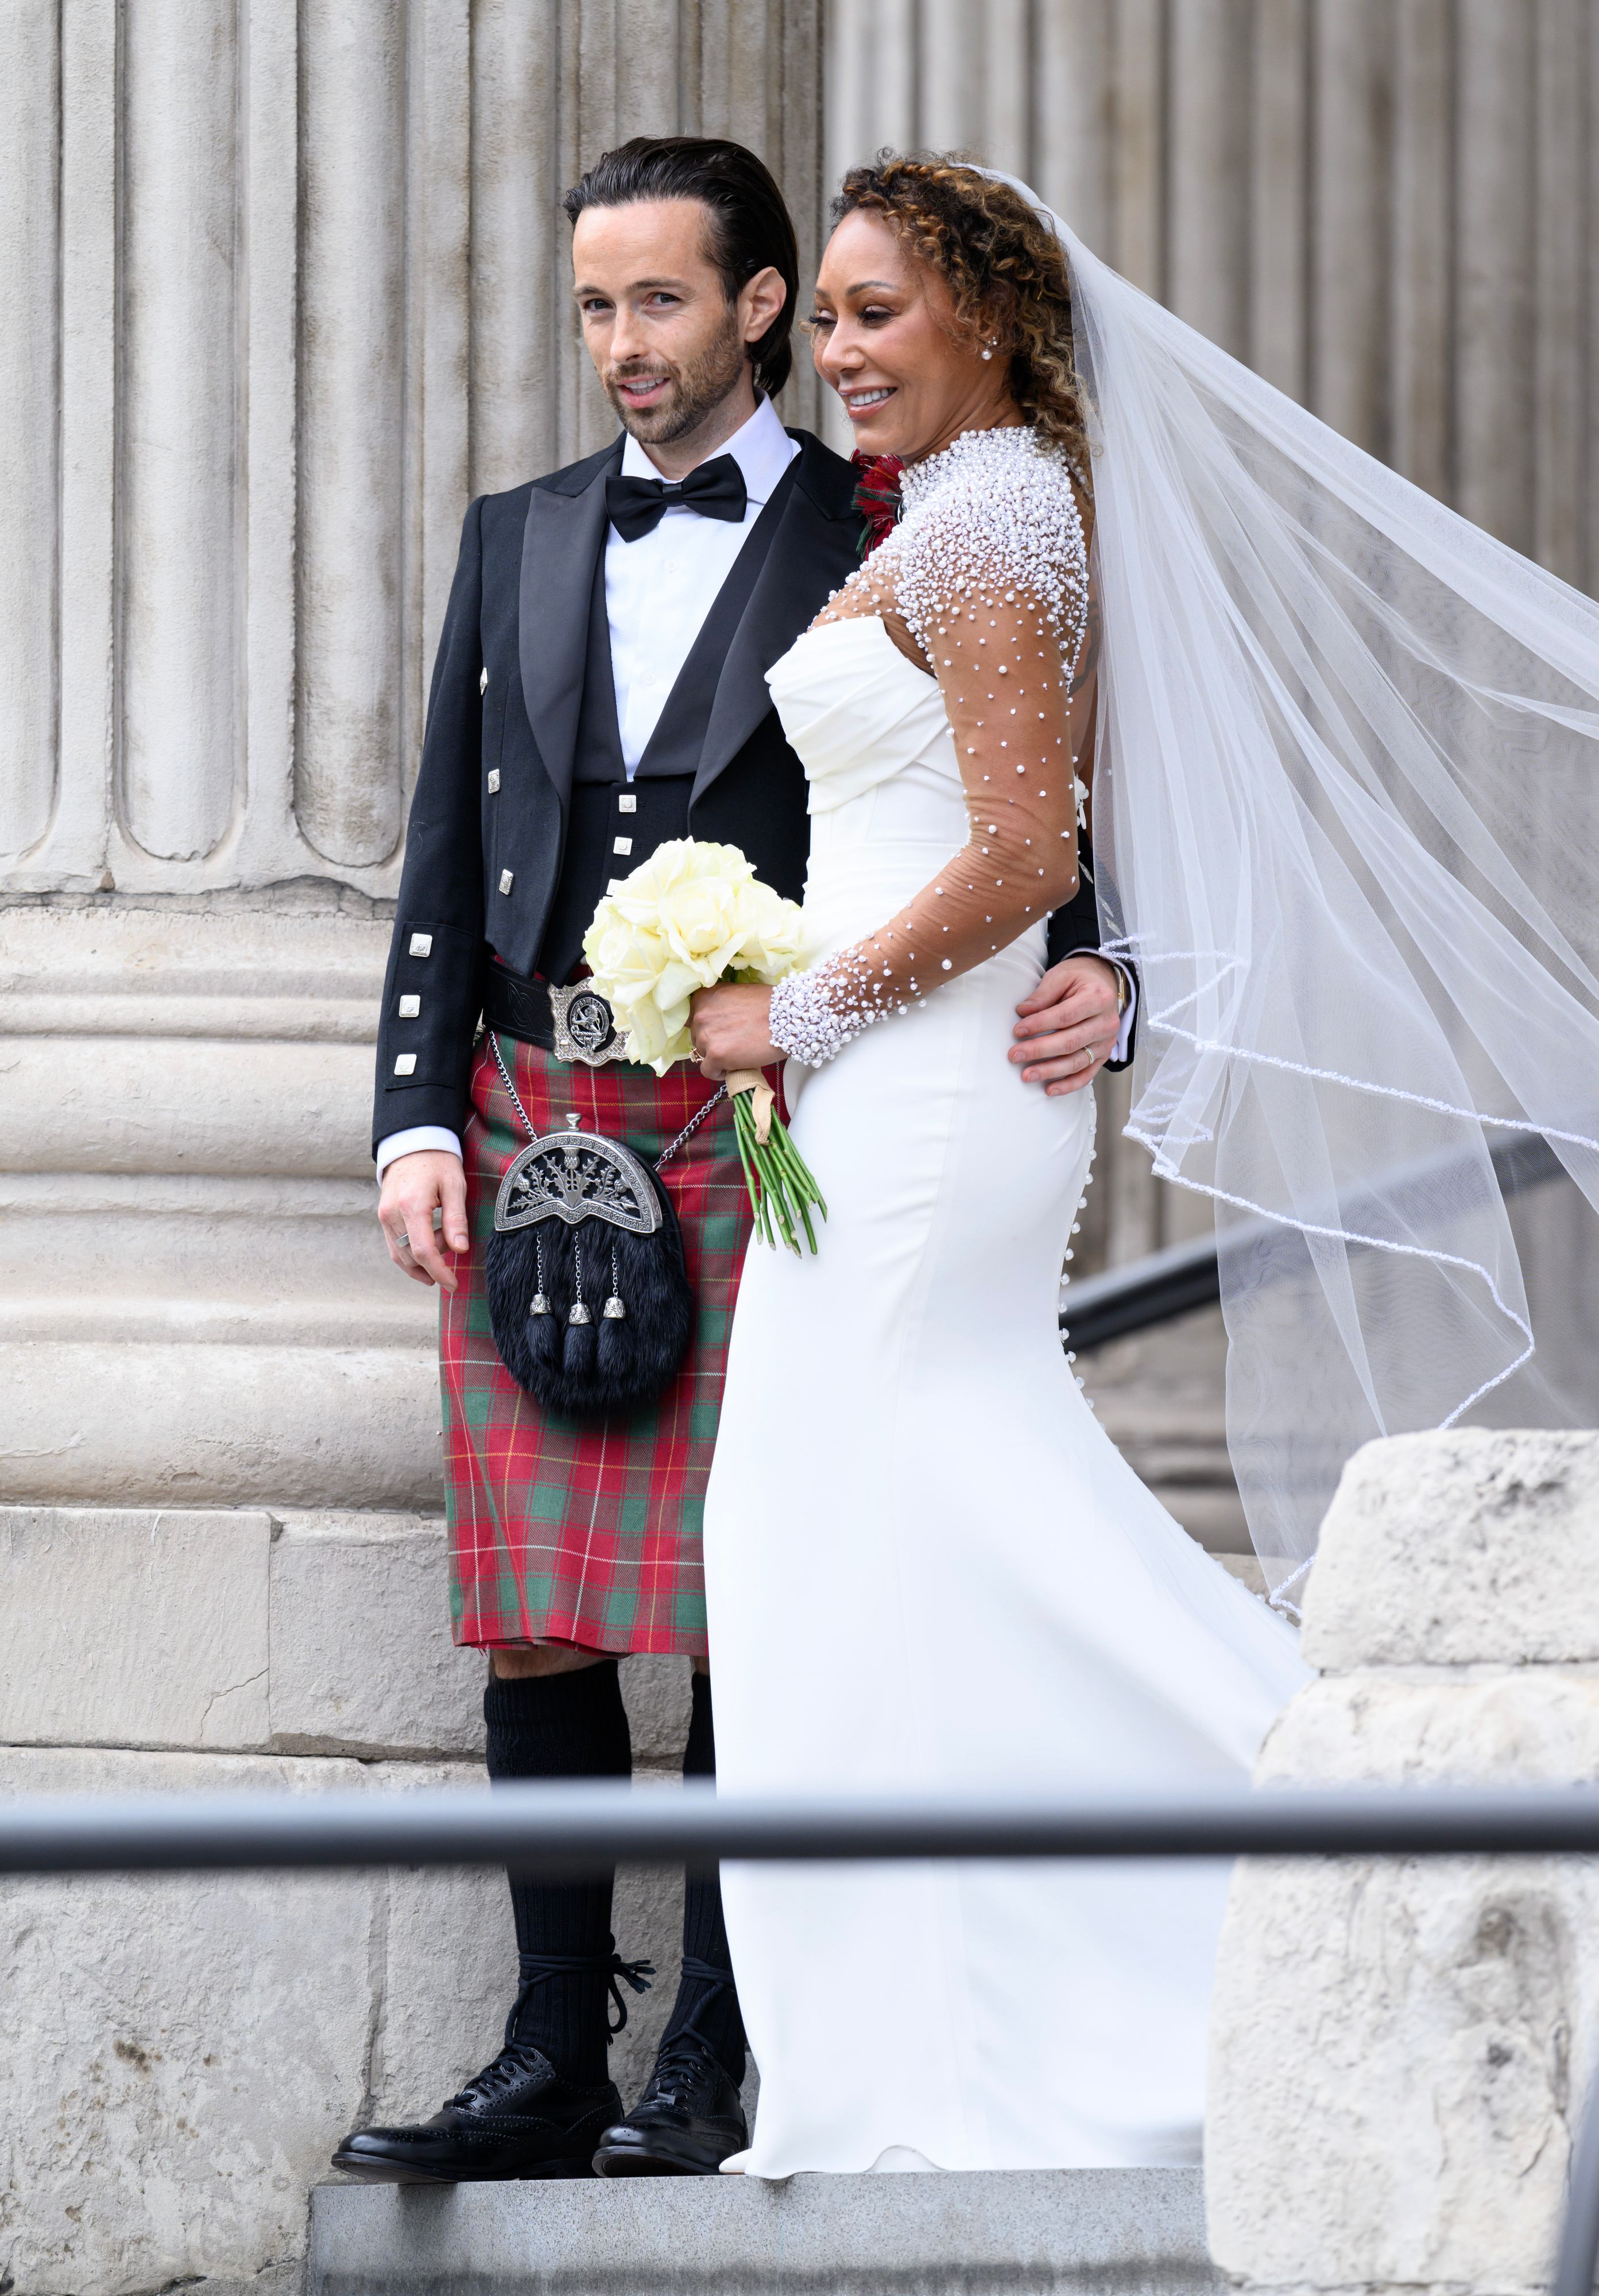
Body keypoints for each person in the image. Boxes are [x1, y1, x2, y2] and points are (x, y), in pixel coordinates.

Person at [690, 148, 1599, 2176]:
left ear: (991, 319)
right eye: (823, 314)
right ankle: (936, 2055)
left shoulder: (994, 512)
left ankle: (1347, 1862)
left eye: (873, 311)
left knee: (892, 1516)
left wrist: (796, 1013)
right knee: (876, 1534)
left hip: (920, 1095)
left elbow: (1016, 853)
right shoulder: (961, 505)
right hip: (891, 1080)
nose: (837, 350)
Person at [333, 138, 1134, 2186]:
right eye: (595, 306)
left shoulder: (892, 518)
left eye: (659, 301)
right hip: (533, 1105)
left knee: (741, 1584)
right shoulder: (514, 532)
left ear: (757, 305)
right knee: (535, 1607)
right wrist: (416, 1106)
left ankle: (712, 2052)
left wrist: (1109, 961)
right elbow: (444, 833)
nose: (621, 345)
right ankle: (548, 2051)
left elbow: (1010, 794)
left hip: (757, 1106)